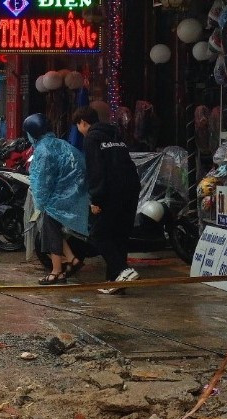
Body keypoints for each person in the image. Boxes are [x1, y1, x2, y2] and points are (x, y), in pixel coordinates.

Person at [74, 106, 142, 294]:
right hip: (130, 189)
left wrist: (96, 198)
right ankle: (114, 281)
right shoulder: (116, 134)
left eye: (78, 126)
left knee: (99, 235)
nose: (78, 130)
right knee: (119, 235)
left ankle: (122, 270)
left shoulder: (91, 138)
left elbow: (96, 170)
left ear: (83, 123)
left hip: (112, 192)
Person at [24, 113, 89, 285]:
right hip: (75, 195)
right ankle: (71, 259)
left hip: (59, 197)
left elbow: (42, 181)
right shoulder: (60, 144)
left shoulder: (43, 150)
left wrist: (41, 202)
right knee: (54, 228)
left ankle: (56, 271)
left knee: (50, 229)